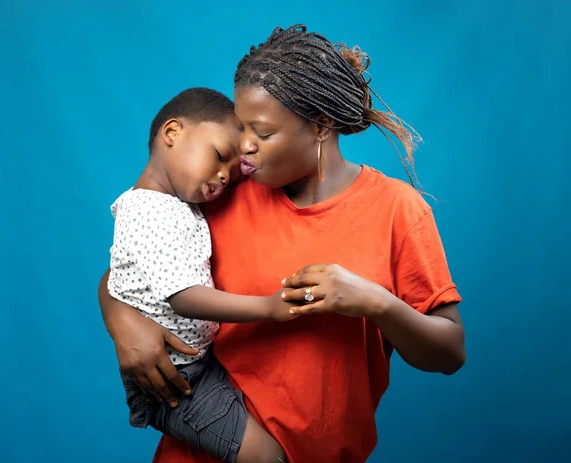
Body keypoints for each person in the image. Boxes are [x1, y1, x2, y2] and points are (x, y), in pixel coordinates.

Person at [98, 24, 466, 463]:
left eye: (263, 132)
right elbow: (133, 266)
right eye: (240, 128)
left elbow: (449, 352)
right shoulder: (222, 190)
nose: (245, 147)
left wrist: (377, 303)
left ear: (321, 125)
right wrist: (123, 323)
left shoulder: (396, 210)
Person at [106, 87, 296, 463]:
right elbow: (184, 296)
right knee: (266, 457)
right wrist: (269, 308)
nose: (225, 176)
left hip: (199, 364)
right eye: (220, 156)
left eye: (232, 172)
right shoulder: (148, 209)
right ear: (173, 133)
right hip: (175, 380)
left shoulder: (182, 205)